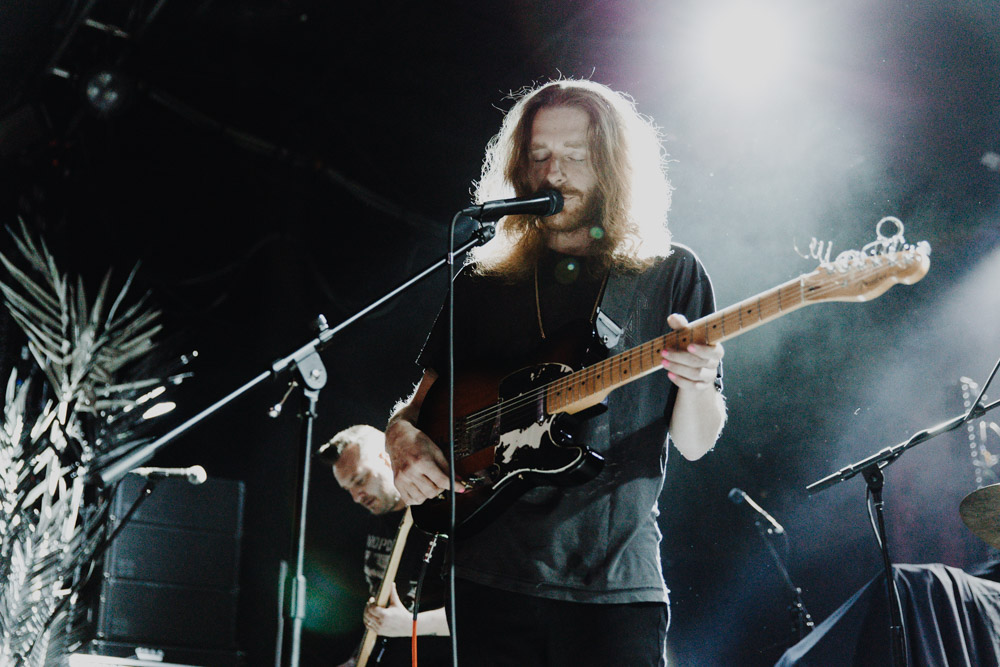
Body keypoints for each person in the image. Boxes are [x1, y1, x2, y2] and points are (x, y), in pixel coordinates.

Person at [384, 79, 727, 666]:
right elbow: (416, 410)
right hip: (487, 575)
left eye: (576, 156)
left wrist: (696, 382)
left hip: (615, 582)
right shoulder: (484, 279)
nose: (554, 174)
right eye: (540, 156)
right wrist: (402, 442)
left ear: (615, 165)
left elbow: (696, 443)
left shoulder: (668, 273)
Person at [317, 424, 450, 667]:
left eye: (360, 480)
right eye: (348, 489)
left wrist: (411, 625)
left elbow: (483, 612)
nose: (357, 497)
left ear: (388, 459)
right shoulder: (376, 520)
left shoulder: (442, 516)